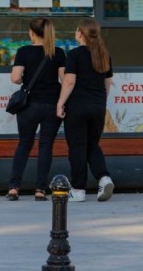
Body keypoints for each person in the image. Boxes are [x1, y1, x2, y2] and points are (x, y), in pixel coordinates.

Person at [7, 18, 66, 202]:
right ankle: (40, 190)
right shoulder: (58, 53)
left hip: (29, 106)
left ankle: (14, 188)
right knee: (45, 146)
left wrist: (25, 78)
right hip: (51, 104)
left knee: (24, 144)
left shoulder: (24, 51)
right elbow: (65, 80)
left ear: (32, 33)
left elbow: (15, 78)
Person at [56, 19, 115, 202]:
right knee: (92, 145)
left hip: (77, 106)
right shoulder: (104, 55)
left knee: (77, 147)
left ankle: (78, 189)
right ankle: (104, 178)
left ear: (80, 34)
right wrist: (100, 102)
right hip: (97, 106)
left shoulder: (74, 54)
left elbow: (69, 81)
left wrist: (60, 103)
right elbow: (107, 84)